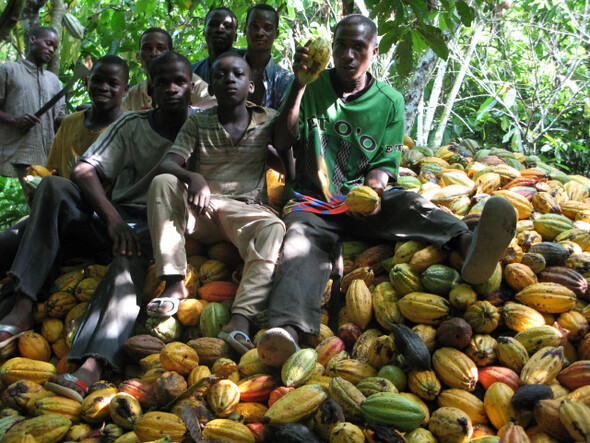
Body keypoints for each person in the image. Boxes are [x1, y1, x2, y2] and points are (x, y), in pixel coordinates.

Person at [256, 15, 518, 366]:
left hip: (364, 203)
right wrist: (299, 86)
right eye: (340, 46)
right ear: (331, 49)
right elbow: (282, 139)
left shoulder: (389, 101)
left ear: (374, 52)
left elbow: (384, 164)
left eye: (358, 47)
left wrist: (372, 193)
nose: (348, 54)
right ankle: (287, 330)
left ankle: (467, 244)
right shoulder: (311, 87)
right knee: (297, 244)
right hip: (313, 201)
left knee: (409, 201)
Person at [0, 51, 196, 402]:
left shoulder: (204, 126)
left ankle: (92, 364)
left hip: (162, 227)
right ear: (149, 89)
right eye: (162, 82)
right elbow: (83, 171)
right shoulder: (132, 124)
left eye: (179, 81)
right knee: (53, 187)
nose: (171, 89)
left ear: (192, 87)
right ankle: (23, 302)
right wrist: (113, 219)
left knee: (127, 258)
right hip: (115, 217)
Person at [147, 53, 285, 354]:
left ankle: (240, 320)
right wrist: (193, 176)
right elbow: (169, 163)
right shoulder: (198, 122)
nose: (229, 80)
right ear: (211, 86)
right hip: (204, 211)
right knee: (163, 182)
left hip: (246, 212)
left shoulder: (268, 118)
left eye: (237, 74)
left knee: (274, 227)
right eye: (221, 75)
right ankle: (174, 281)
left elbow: (289, 151)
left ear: (250, 86)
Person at [0, 55, 130, 279]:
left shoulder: (129, 127)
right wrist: (36, 193)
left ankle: (24, 296)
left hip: (98, 224)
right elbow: (52, 174)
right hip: (57, 216)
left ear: (125, 90)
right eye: (97, 80)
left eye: (112, 83)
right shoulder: (70, 123)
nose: (103, 87)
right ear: (88, 82)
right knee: (6, 242)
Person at [0, 26, 65, 198]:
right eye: (48, 43)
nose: (51, 50)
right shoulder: (8, 70)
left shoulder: (54, 81)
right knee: (38, 199)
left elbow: (59, 117)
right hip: (21, 150)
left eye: (55, 48)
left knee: (46, 201)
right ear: (33, 40)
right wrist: (14, 120)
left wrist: (82, 117)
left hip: (50, 154)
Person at [122, 27, 211, 111]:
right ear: (139, 56)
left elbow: (214, 103)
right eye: (147, 48)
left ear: (170, 52)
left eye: (160, 48)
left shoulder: (189, 81)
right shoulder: (133, 95)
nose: (154, 53)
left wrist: (188, 113)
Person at [243, 4, 293, 109]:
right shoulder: (229, 72)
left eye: (267, 28)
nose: (260, 33)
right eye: (254, 26)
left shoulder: (285, 79)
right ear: (245, 30)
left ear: (276, 34)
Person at [192, 8, 240, 83]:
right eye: (213, 24)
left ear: (235, 36)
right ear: (204, 32)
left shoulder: (249, 62)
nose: (219, 30)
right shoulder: (193, 73)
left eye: (227, 26)